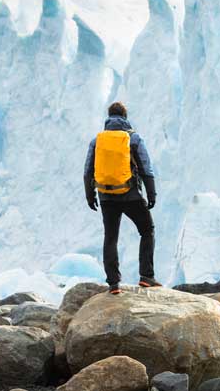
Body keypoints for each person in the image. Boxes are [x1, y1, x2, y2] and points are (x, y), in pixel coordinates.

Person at [85, 101, 160, 294]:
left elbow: (88, 170)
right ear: (125, 117)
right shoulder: (133, 138)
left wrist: (90, 195)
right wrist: (151, 193)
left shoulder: (97, 141)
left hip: (106, 196)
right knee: (147, 230)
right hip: (130, 195)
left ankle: (113, 283)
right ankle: (146, 276)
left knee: (110, 237)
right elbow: (145, 167)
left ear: (109, 117)